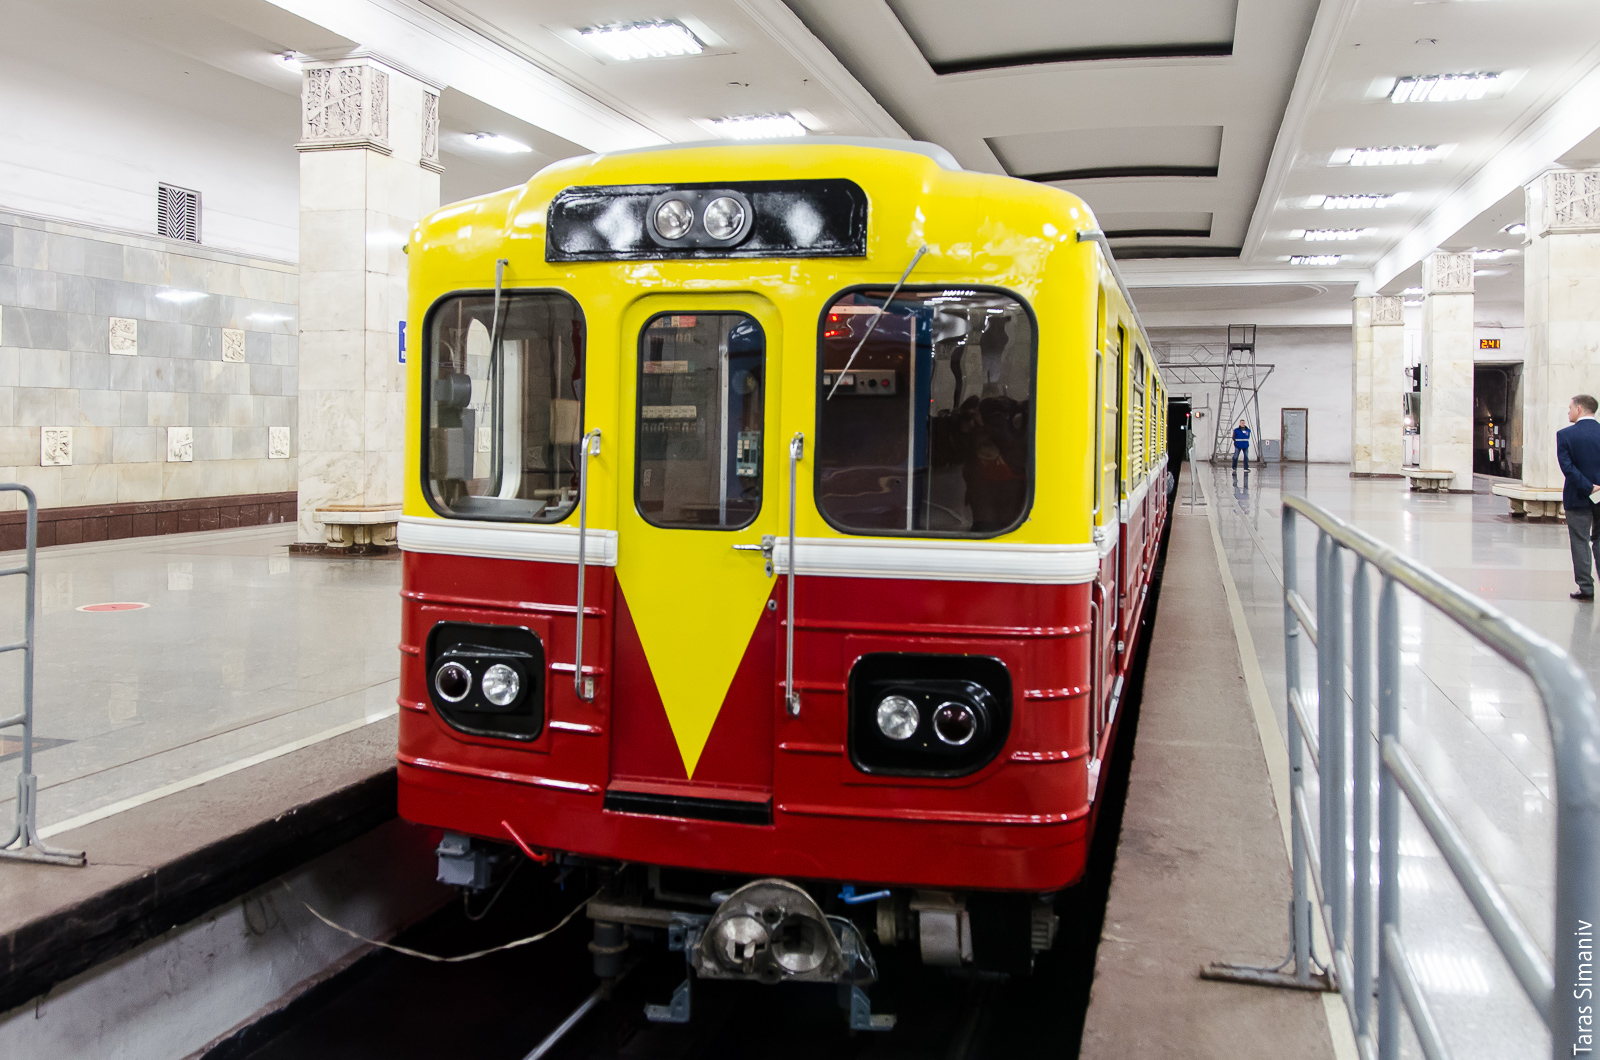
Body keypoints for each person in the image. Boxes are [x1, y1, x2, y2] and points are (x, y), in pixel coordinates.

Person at [1556, 394, 1600, 600]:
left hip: (1577, 497)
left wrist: (1587, 487)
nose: (1568, 412)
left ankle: (1586, 588)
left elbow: (1567, 467)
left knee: (1580, 541)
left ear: (1579, 409)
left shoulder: (1565, 435)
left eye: (1570, 408)